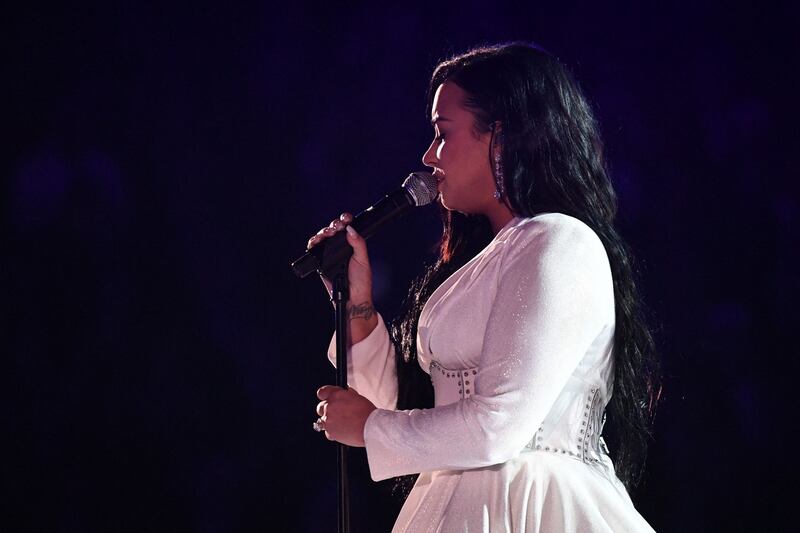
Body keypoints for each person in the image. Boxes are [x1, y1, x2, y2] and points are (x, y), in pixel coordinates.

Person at [309, 42, 660, 532]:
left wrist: (370, 428)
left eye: (442, 134)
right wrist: (358, 306)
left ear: (503, 136)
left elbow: (497, 425)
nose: (429, 156)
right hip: (459, 502)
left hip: (527, 507)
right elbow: (417, 421)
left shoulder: (559, 241)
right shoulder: (489, 258)